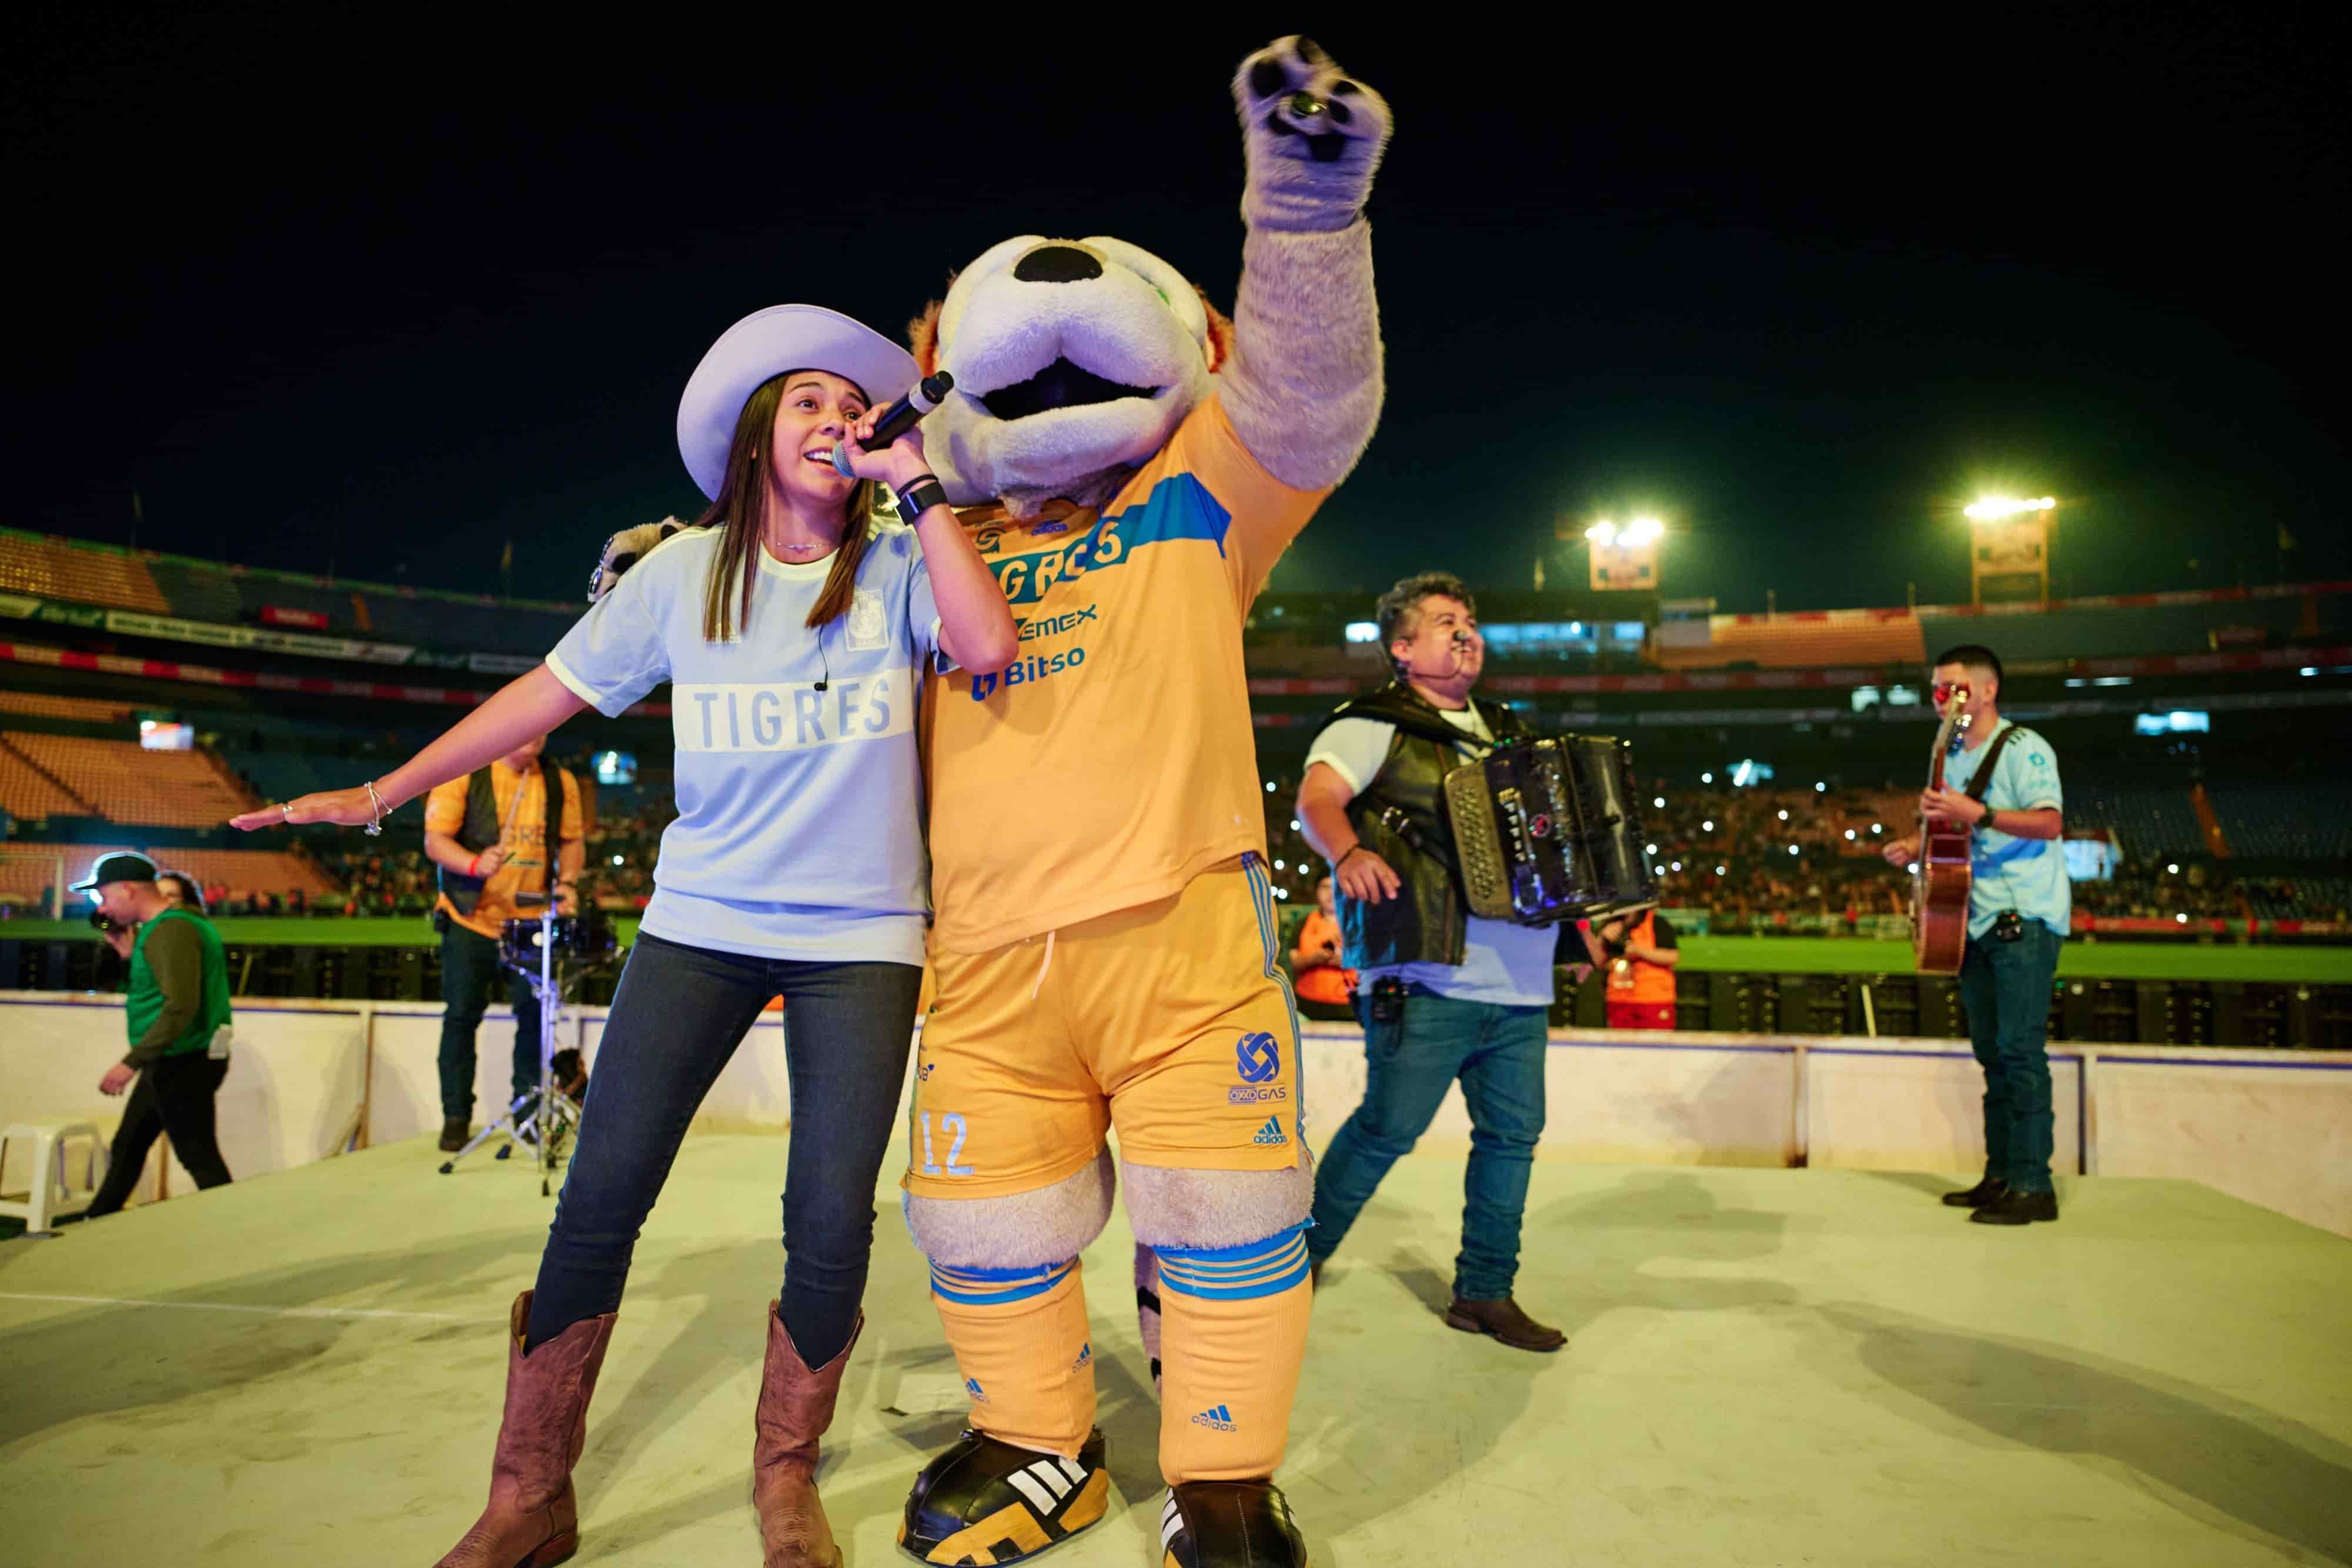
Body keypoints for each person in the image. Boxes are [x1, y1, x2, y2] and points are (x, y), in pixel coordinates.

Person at [238, 303, 1017, 1568]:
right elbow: (533, 697)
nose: (829, 420)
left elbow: (987, 642)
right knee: (598, 1201)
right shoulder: (676, 576)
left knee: (829, 1218)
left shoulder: (895, 565)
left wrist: (916, 487)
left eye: (846, 403)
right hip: (699, 924)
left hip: (862, 937)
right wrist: (377, 794)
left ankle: (783, 1483)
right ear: (758, 435)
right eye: (802, 402)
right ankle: (527, 1494)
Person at [1293, 572, 1566, 1352]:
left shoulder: (1510, 730)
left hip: (1521, 977)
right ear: (1403, 648)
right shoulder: (1374, 722)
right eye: (1446, 620)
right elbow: (1318, 798)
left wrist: (1579, 931)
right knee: (1385, 1128)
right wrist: (1346, 852)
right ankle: (1290, 1269)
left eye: (1472, 619)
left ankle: (1485, 1291)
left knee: (1511, 1138)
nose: (1466, 630)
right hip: (1427, 971)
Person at [1881, 643, 2068, 1226]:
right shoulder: (1948, 753)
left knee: (2019, 1050)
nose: (1943, 699)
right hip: (1971, 919)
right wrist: (1913, 847)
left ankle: (2033, 1184)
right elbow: (1948, 829)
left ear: (1986, 691)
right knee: (1992, 1055)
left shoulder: (2024, 748)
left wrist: (1977, 813)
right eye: (1937, 689)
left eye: (1954, 688)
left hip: (2022, 916)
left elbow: (2050, 822)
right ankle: (2001, 1175)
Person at [422, 733, 586, 1151]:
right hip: (469, 918)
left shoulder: (557, 780)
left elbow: (572, 841)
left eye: (544, 731)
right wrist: (475, 864)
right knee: (461, 1018)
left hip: (530, 923)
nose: (534, 739)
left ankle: (528, 1119)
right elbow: (435, 841)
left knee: (533, 1023)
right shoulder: (466, 772)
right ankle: (455, 1117)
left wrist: (566, 884)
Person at [78, 852, 236, 1216]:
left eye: (105, 896)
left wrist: (131, 1063)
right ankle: (95, 1220)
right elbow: (157, 986)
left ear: (128, 889)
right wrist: (127, 954)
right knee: (130, 1144)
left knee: (197, 1155)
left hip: (181, 1059)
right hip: (172, 1058)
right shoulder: (168, 927)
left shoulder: (170, 929)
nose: (103, 908)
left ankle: (233, 1231)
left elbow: (181, 1005)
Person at [1577, 908, 1679, 1029]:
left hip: (1653, 1000)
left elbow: (1673, 957)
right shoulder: (1610, 924)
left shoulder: (1656, 922)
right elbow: (1596, 962)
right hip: (1618, 1000)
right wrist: (1603, 938)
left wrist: (1639, 952)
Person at [1288, 873, 1357, 1021]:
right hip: (1307, 1009)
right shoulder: (1304, 922)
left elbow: (1378, 963)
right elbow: (1292, 963)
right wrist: (1313, 959)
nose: (1331, 893)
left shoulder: (1360, 922)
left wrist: (1347, 961)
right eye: (1325, 887)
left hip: (1352, 1010)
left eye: (1337, 887)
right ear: (1317, 891)